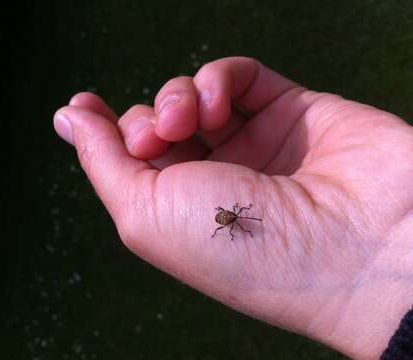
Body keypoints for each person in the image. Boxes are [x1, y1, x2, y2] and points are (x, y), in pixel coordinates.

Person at [53, 57, 413, 359]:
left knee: (239, 219)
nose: (237, 219)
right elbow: (231, 220)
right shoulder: (233, 216)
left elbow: (234, 219)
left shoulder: (237, 216)